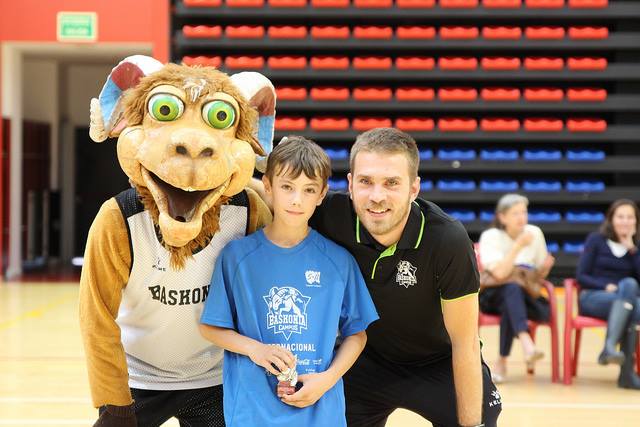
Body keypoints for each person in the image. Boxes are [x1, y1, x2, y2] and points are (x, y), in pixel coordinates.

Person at [255, 128, 501, 427]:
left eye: (392, 183)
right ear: (350, 184)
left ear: (414, 188)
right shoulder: (330, 215)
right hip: (364, 360)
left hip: (437, 362)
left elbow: (464, 343)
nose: (377, 196)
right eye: (366, 182)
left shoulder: (447, 240)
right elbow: (271, 193)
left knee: (480, 420)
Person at [199, 136, 379, 426]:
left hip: (320, 412)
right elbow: (210, 327)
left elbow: (357, 334)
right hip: (252, 412)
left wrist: (327, 380)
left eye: (309, 190)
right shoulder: (236, 256)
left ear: (322, 194)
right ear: (268, 187)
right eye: (287, 187)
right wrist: (256, 349)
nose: (297, 199)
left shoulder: (338, 261)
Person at [477, 193, 554, 383]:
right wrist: (518, 246)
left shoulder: (534, 233)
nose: (522, 218)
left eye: (524, 212)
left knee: (512, 299)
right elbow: (500, 274)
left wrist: (544, 270)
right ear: (502, 217)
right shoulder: (491, 236)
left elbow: (537, 277)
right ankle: (526, 342)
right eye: (515, 213)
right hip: (493, 296)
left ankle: (502, 362)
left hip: (525, 295)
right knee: (511, 289)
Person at [576, 198, 640, 389]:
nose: (625, 221)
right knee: (634, 304)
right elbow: (581, 276)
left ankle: (609, 349)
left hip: (625, 301)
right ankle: (626, 373)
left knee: (629, 289)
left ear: (636, 221)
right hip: (594, 297)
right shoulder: (596, 240)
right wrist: (606, 286)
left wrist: (632, 250)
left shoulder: (636, 248)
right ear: (611, 219)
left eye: (630, 217)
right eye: (620, 216)